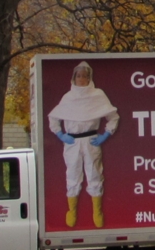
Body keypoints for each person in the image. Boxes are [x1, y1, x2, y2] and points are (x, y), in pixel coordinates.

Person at [46, 62, 118, 228]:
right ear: (74, 78)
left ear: (89, 78)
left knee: (94, 174)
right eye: (79, 76)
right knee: (73, 173)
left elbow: (113, 116)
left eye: (85, 76)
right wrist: (60, 134)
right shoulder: (68, 97)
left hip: (91, 140)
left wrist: (106, 134)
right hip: (72, 141)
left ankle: (97, 211)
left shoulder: (98, 94)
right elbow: (54, 118)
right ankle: (72, 210)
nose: (82, 79)